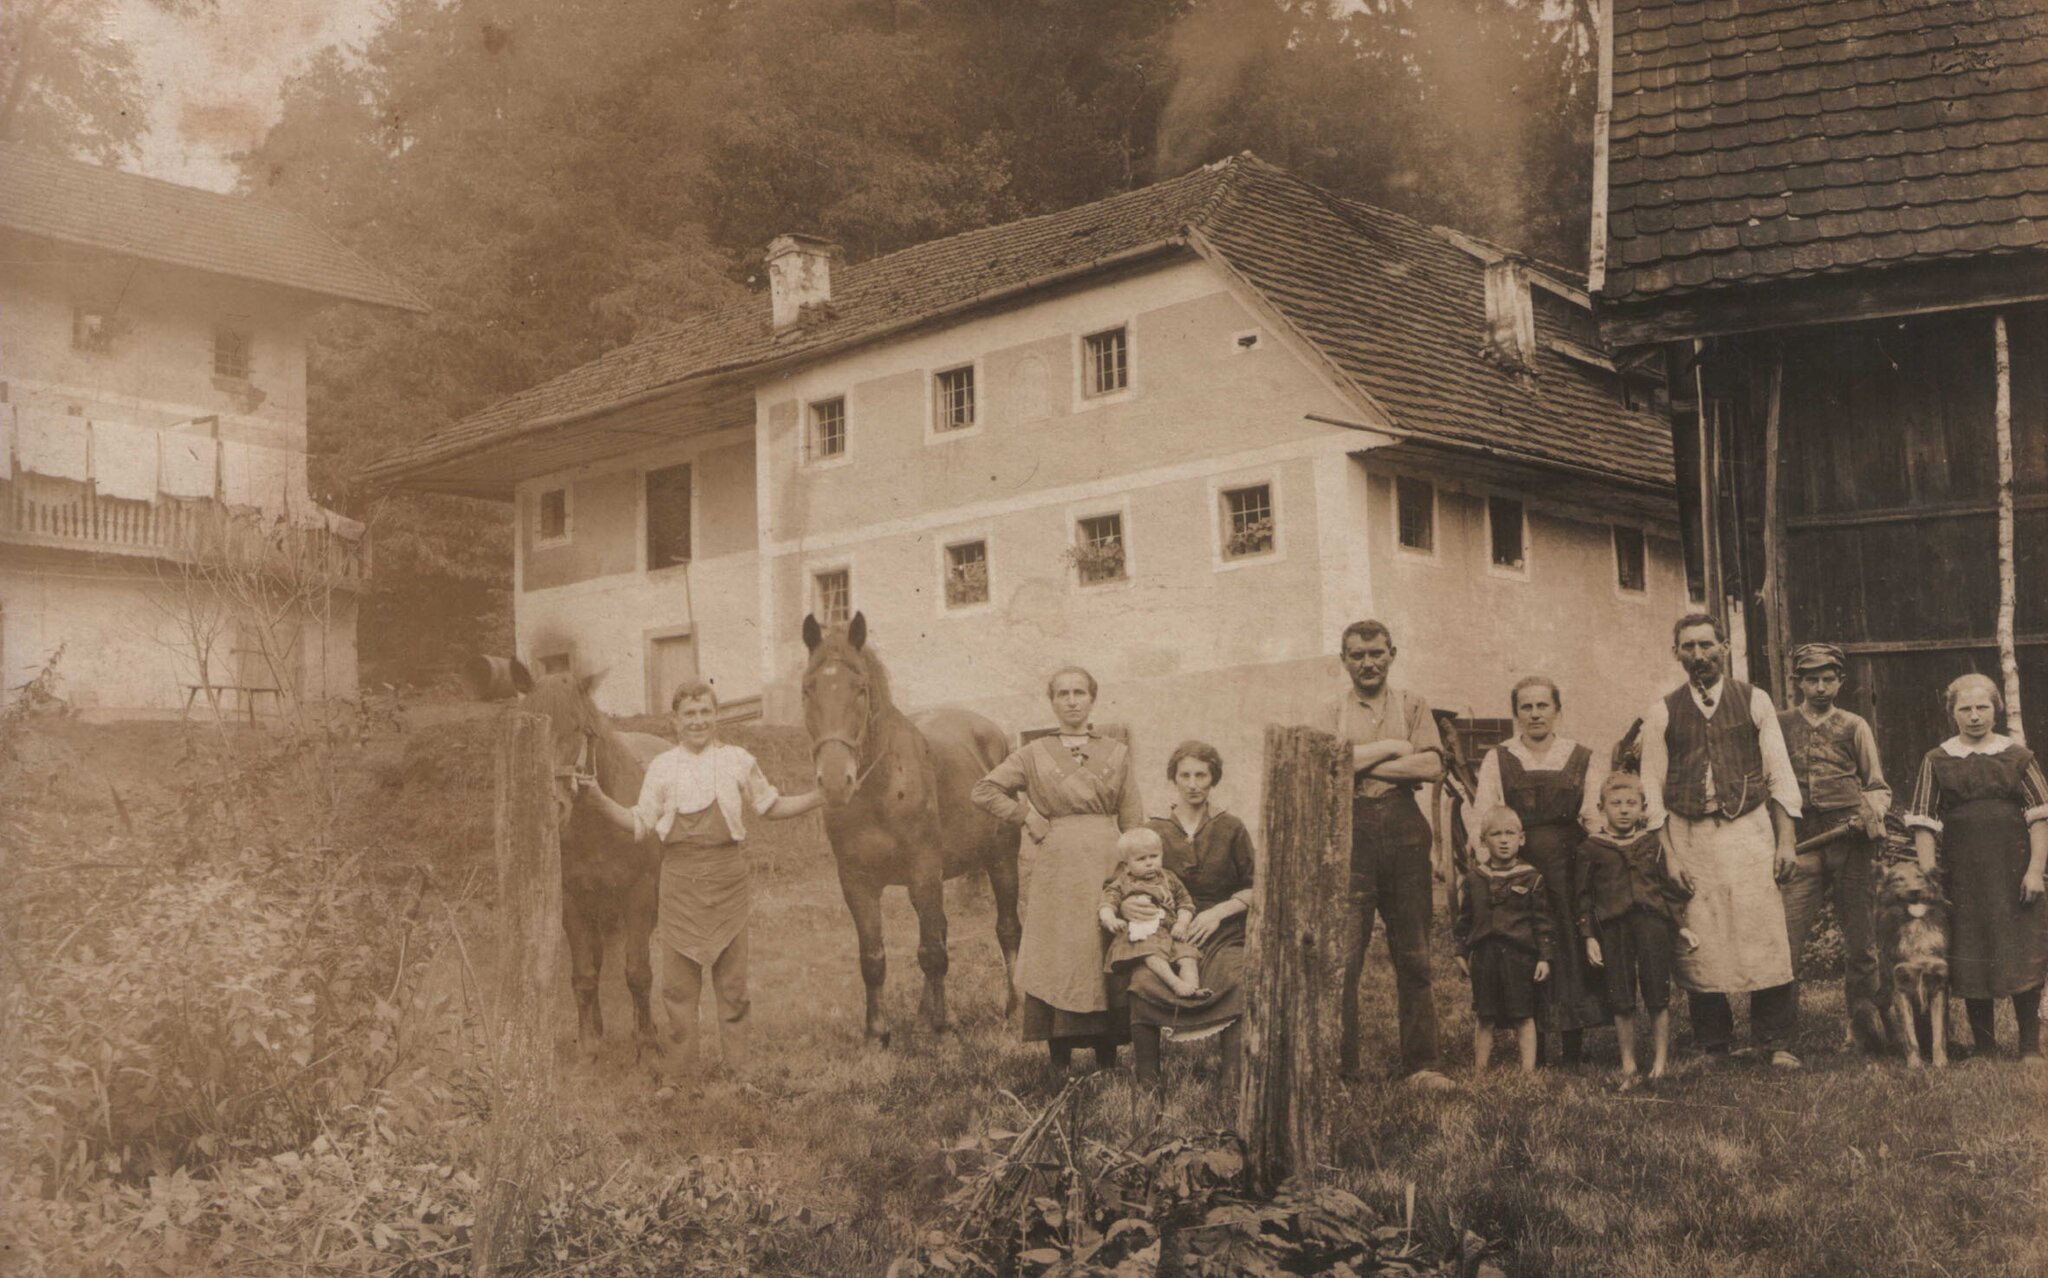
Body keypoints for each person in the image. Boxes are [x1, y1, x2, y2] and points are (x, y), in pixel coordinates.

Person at [578, 679, 825, 1082]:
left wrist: (818, 797)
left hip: (728, 879)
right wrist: (600, 801)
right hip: (677, 879)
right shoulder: (660, 767)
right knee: (677, 988)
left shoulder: (738, 761)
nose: (698, 721)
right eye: (689, 714)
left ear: (717, 716)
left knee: (732, 986)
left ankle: (740, 1071)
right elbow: (640, 824)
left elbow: (771, 805)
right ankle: (679, 1075)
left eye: (705, 712)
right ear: (675, 722)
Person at [1637, 613, 1806, 1068]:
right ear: (1676, 653)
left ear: (1724, 647)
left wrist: (1785, 843)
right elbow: (1651, 787)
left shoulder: (1755, 701)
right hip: (1690, 834)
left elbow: (1780, 775)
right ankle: (1713, 1043)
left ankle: (1776, 1041)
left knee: (1763, 930)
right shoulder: (1662, 711)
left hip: (1749, 831)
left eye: (1707, 645)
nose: (1699, 656)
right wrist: (1668, 855)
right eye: (1688, 647)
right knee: (1701, 935)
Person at [972, 666, 1146, 1072]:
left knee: (1103, 947)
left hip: (1107, 860)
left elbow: (1133, 820)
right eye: (1063, 694)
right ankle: (1059, 1060)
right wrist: (1025, 816)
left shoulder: (1117, 752)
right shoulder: (1033, 754)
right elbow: (983, 790)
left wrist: (1136, 874)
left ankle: (1107, 1057)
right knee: (1059, 952)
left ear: (1092, 698)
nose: (1071, 700)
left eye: (1079, 692)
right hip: (1058, 867)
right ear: (1052, 702)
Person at [1328, 619, 1451, 1088]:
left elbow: (1433, 765)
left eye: (1376, 653)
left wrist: (1364, 759)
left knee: (1415, 955)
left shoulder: (1413, 704)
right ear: (1344, 660)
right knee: (1345, 959)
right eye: (1357, 655)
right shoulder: (1330, 709)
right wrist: (1394, 747)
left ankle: (1422, 1065)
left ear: (1392, 653)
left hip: (1404, 829)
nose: (1368, 663)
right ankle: (1342, 1070)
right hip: (1351, 833)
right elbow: (1331, 766)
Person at [1905, 672, 2048, 1060]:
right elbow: (1923, 823)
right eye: (1964, 708)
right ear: (1952, 713)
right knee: (1971, 950)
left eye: (1982, 707)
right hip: (1962, 875)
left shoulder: (2019, 757)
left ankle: (2029, 1046)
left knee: (2022, 949)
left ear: (1996, 709)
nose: (1974, 716)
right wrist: (1931, 878)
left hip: (2012, 871)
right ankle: (1984, 1046)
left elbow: (2040, 818)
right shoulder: (1937, 760)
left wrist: (2035, 870)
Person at [1466, 676, 1606, 1065]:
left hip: (1568, 868)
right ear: (1516, 714)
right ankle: (1538, 1049)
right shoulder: (1500, 757)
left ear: (1557, 710)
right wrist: (1489, 866)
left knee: (1571, 946)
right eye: (1526, 707)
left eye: (1542, 706)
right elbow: (1484, 813)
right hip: (1518, 870)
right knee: (1527, 948)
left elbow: (1592, 814)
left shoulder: (1581, 755)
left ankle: (1574, 1046)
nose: (1535, 714)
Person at [1776, 642, 1890, 1045]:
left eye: (1828, 679)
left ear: (1840, 681)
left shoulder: (1854, 725)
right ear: (1798, 683)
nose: (1820, 687)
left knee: (1861, 941)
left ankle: (1862, 1033)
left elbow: (1876, 785)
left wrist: (1868, 814)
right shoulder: (1780, 724)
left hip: (1850, 839)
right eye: (1811, 679)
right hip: (1801, 840)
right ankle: (1780, 1037)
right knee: (1785, 941)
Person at [1125, 741, 1257, 1089]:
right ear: (1174, 779)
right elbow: (1121, 880)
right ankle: (1148, 1086)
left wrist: (1220, 912)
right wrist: (1125, 906)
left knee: (1236, 977)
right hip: (1167, 931)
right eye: (1185, 775)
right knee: (1142, 982)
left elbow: (1256, 884)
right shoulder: (1154, 829)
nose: (1193, 783)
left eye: (1202, 775)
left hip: (1224, 929)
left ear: (1214, 779)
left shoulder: (1231, 827)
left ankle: (1232, 1085)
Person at [1578, 772, 1699, 1083]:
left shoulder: (1651, 844)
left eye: (1631, 803)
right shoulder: (1592, 847)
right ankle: (1628, 1063)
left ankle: (1660, 1063)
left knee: (1657, 993)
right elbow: (1584, 897)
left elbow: (1665, 890)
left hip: (1652, 925)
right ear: (1601, 807)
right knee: (1621, 995)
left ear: (1643, 807)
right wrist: (1589, 936)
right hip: (1613, 929)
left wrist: (1681, 926)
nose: (1624, 809)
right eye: (1615, 803)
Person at [1454, 806, 1554, 1073]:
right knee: (1485, 1015)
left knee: (1524, 1014)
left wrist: (1544, 957)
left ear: (1521, 838)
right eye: (1496, 834)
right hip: (1485, 957)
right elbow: (1465, 919)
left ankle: (1528, 1071)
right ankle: (1480, 1069)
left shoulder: (1531, 878)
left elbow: (1542, 922)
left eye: (1510, 833)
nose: (1504, 840)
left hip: (1519, 957)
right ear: (1483, 841)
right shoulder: (1475, 879)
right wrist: (1461, 952)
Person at [1098, 828, 1208, 999]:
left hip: (1171, 931)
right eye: (1141, 859)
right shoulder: (1123, 882)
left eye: (1154, 856)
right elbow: (1107, 903)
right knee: (1151, 954)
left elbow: (1185, 903)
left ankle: (1192, 988)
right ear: (1126, 865)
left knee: (1188, 956)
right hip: (1144, 934)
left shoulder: (1169, 878)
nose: (1150, 863)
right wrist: (1110, 919)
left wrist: (1182, 923)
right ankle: (1175, 983)